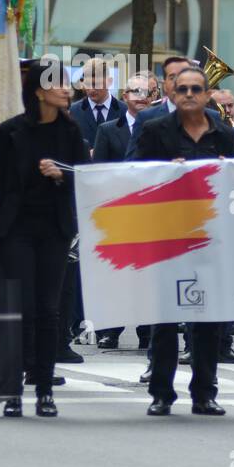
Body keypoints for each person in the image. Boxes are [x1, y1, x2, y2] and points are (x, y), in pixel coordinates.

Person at [0, 59, 91, 418]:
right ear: (40, 91)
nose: (66, 89)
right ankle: (12, 391)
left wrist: (61, 175)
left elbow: (84, 180)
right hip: (16, 231)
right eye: (58, 83)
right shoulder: (11, 131)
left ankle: (44, 389)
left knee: (48, 310)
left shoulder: (70, 133)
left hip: (54, 231)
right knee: (19, 308)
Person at [135, 66, 234, 416]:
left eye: (197, 89)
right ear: (173, 94)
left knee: (207, 319)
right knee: (164, 319)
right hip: (167, 235)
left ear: (208, 95)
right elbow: (133, 177)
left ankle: (205, 393)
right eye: (183, 89)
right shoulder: (154, 131)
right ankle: (161, 392)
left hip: (209, 238)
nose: (190, 95)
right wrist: (166, 174)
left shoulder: (224, 134)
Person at [91, 76, 154, 351]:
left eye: (148, 91)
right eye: (135, 91)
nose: (141, 96)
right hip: (117, 210)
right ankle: (110, 330)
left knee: (148, 275)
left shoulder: (162, 128)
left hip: (152, 211)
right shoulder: (107, 130)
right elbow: (99, 170)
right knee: (115, 273)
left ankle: (147, 330)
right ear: (124, 95)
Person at [68, 57, 122, 152]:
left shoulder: (124, 111)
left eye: (97, 84)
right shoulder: (74, 111)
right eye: (88, 84)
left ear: (109, 81)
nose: (92, 89)